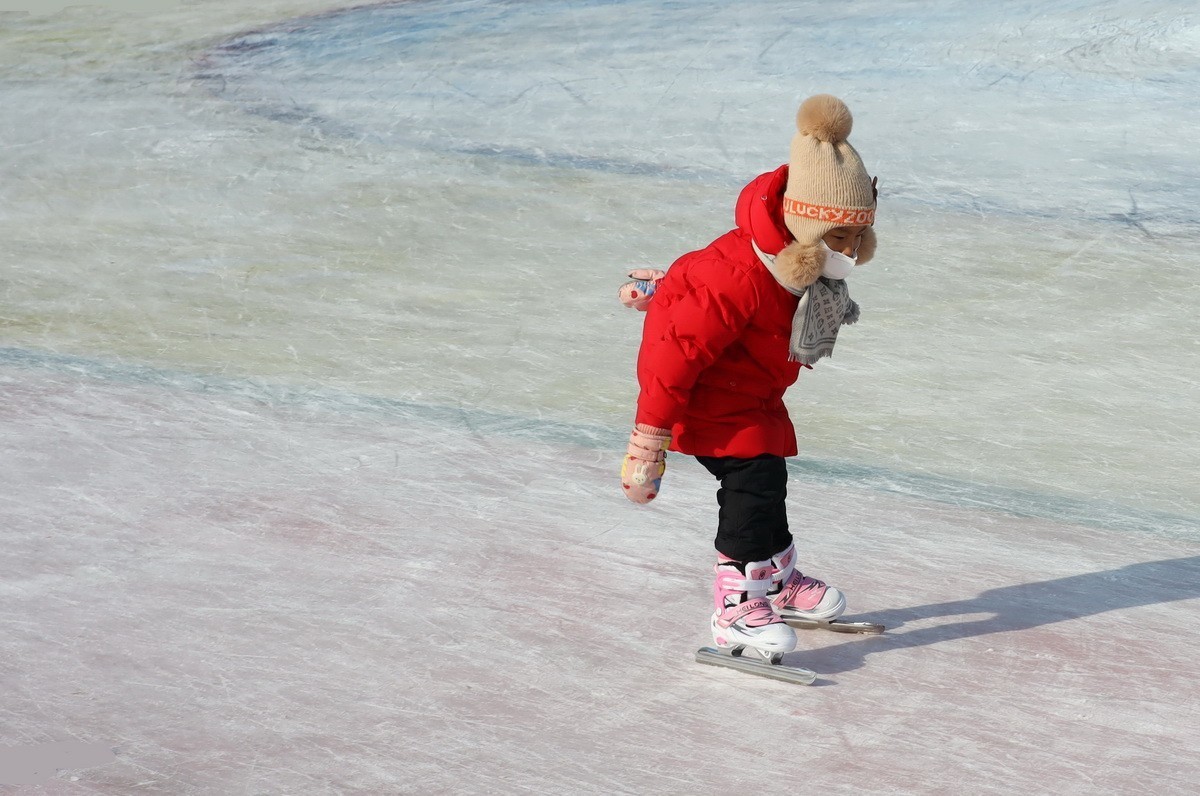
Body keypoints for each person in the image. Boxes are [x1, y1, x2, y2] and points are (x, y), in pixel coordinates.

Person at [619, 94, 879, 660]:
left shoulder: (794, 266)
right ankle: (737, 606)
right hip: (706, 399)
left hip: (751, 394)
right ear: (804, 224)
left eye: (859, 237)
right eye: (840, 238)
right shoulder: (734, 276)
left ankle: (778, 580)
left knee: (769, 481)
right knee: (752, 482)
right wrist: (649, 438)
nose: (852, 253)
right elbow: (674, 351)